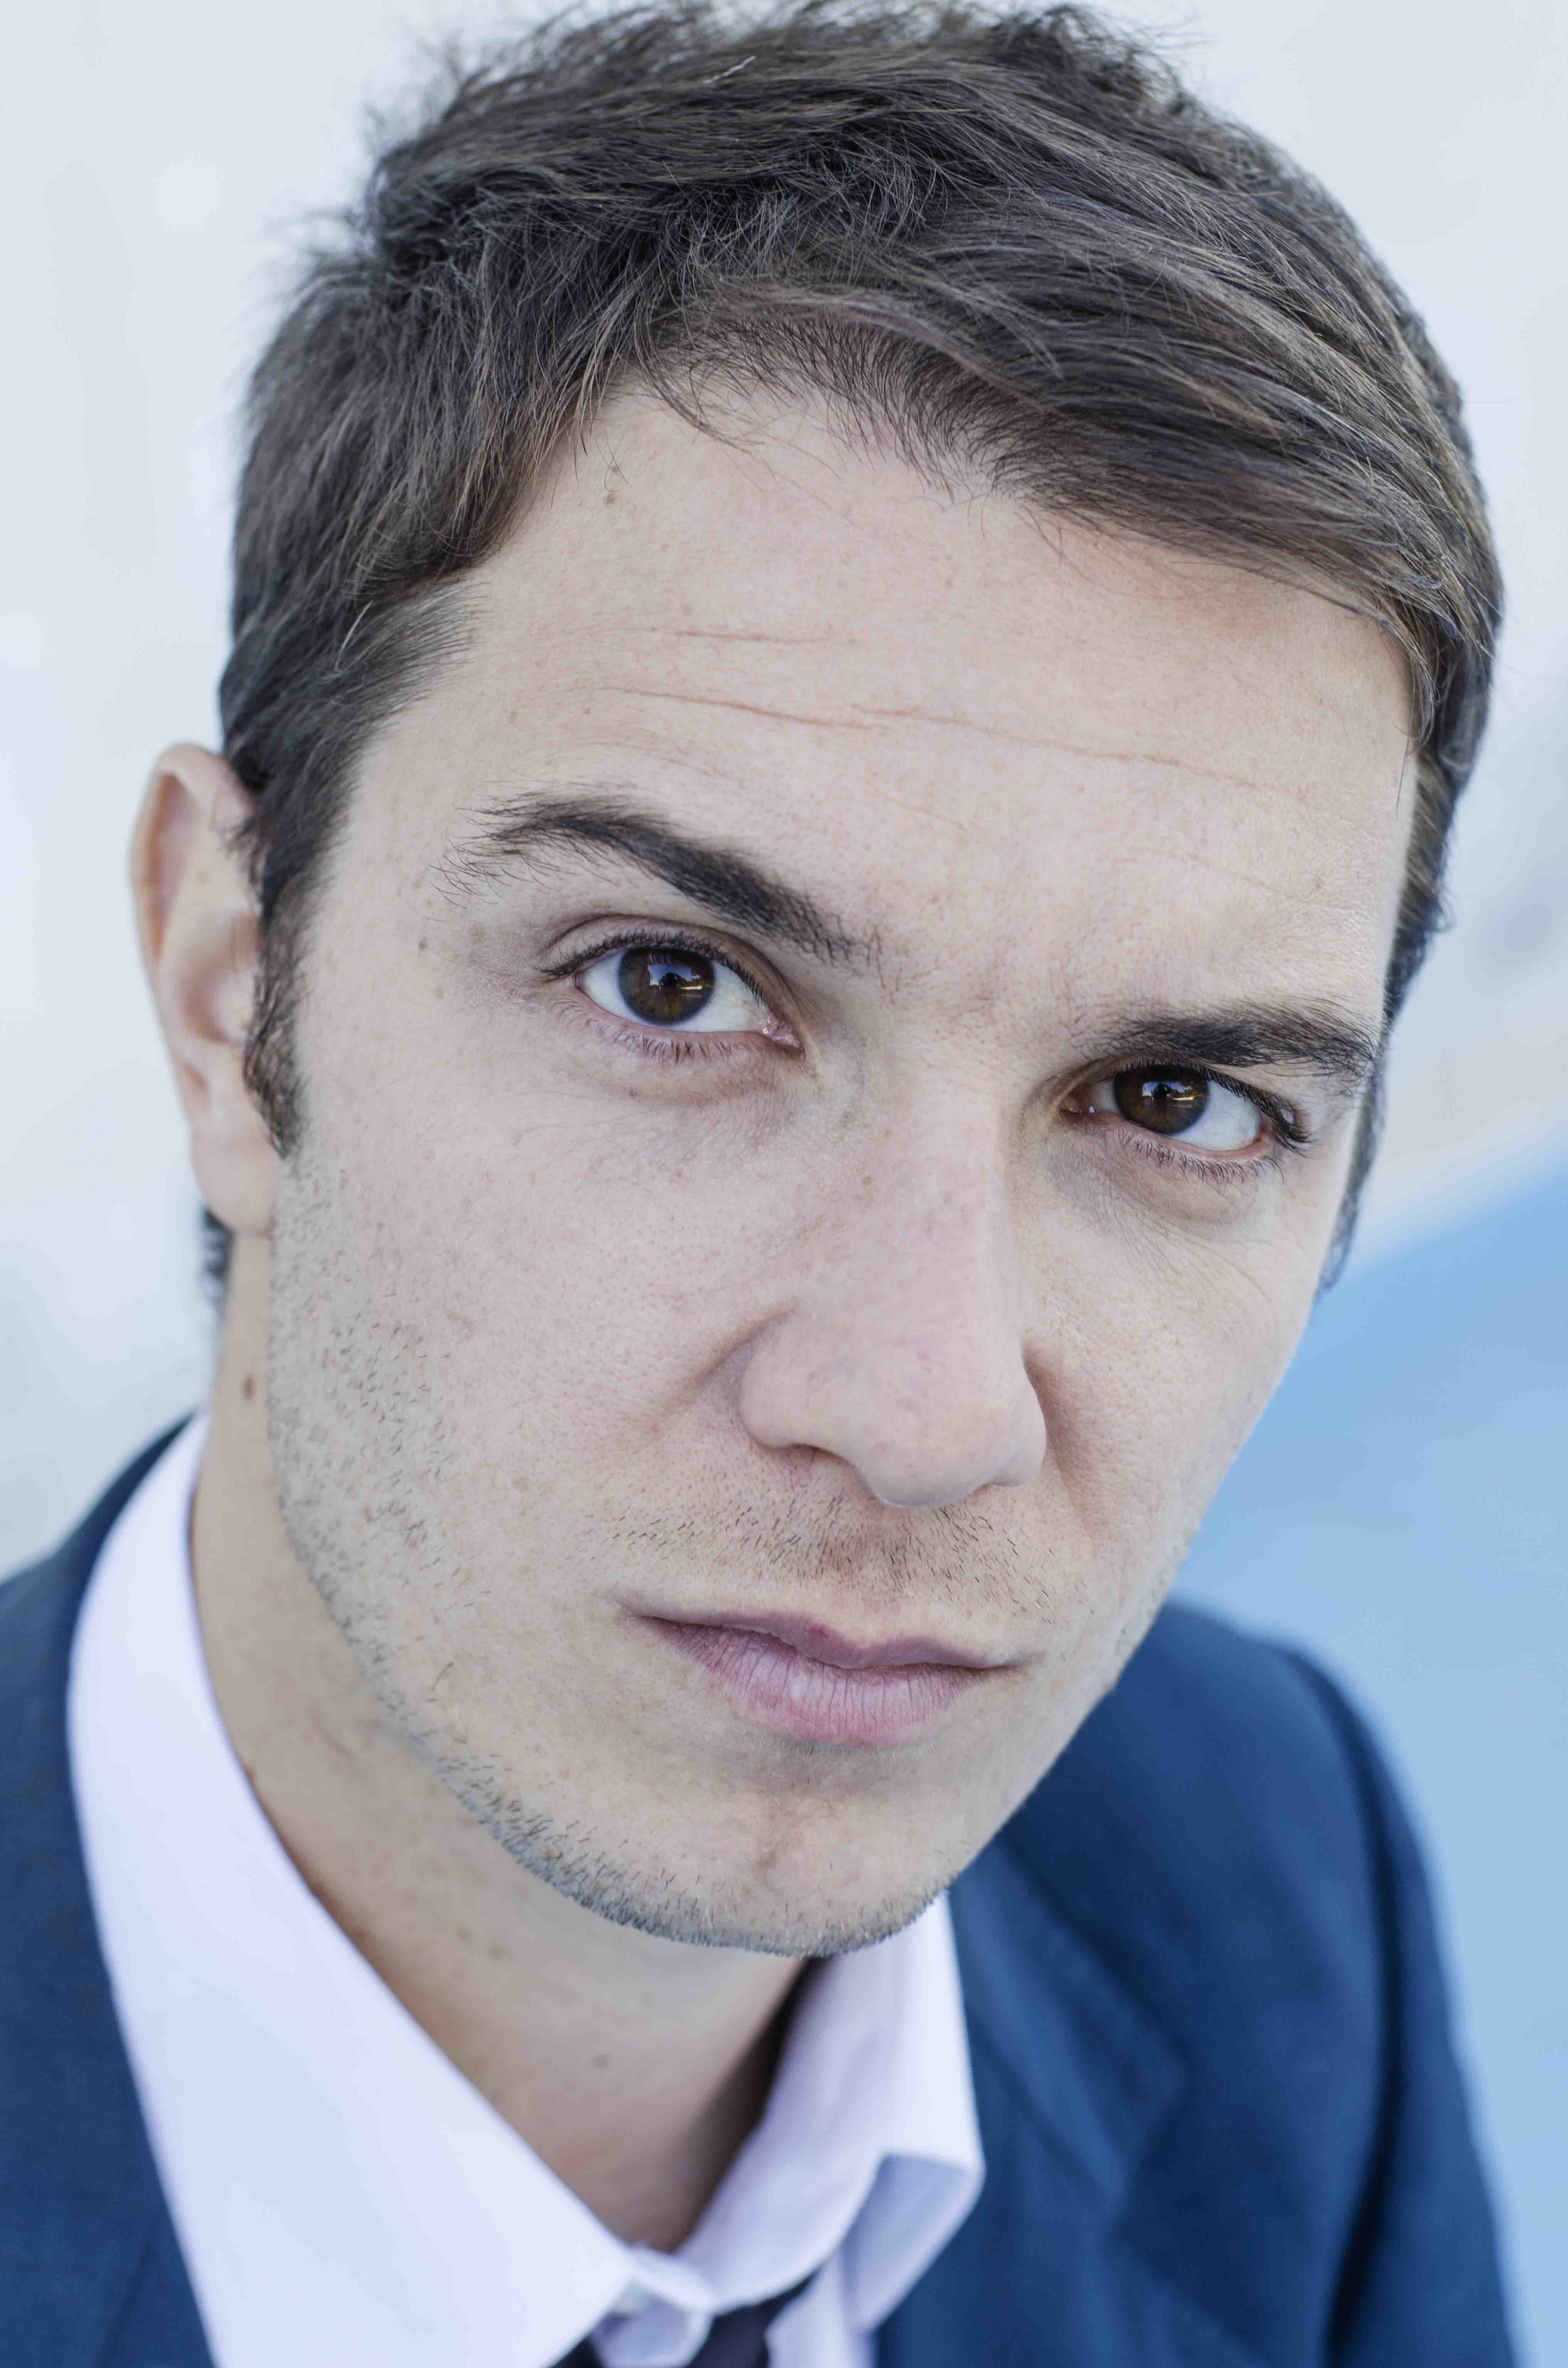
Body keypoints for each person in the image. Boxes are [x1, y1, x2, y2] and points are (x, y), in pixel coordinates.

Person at [0, 4, 1517, 2362]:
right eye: (672, 988)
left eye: (1172, 1100)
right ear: (227, 986)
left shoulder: (1258, 1871)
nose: (922, 1413)